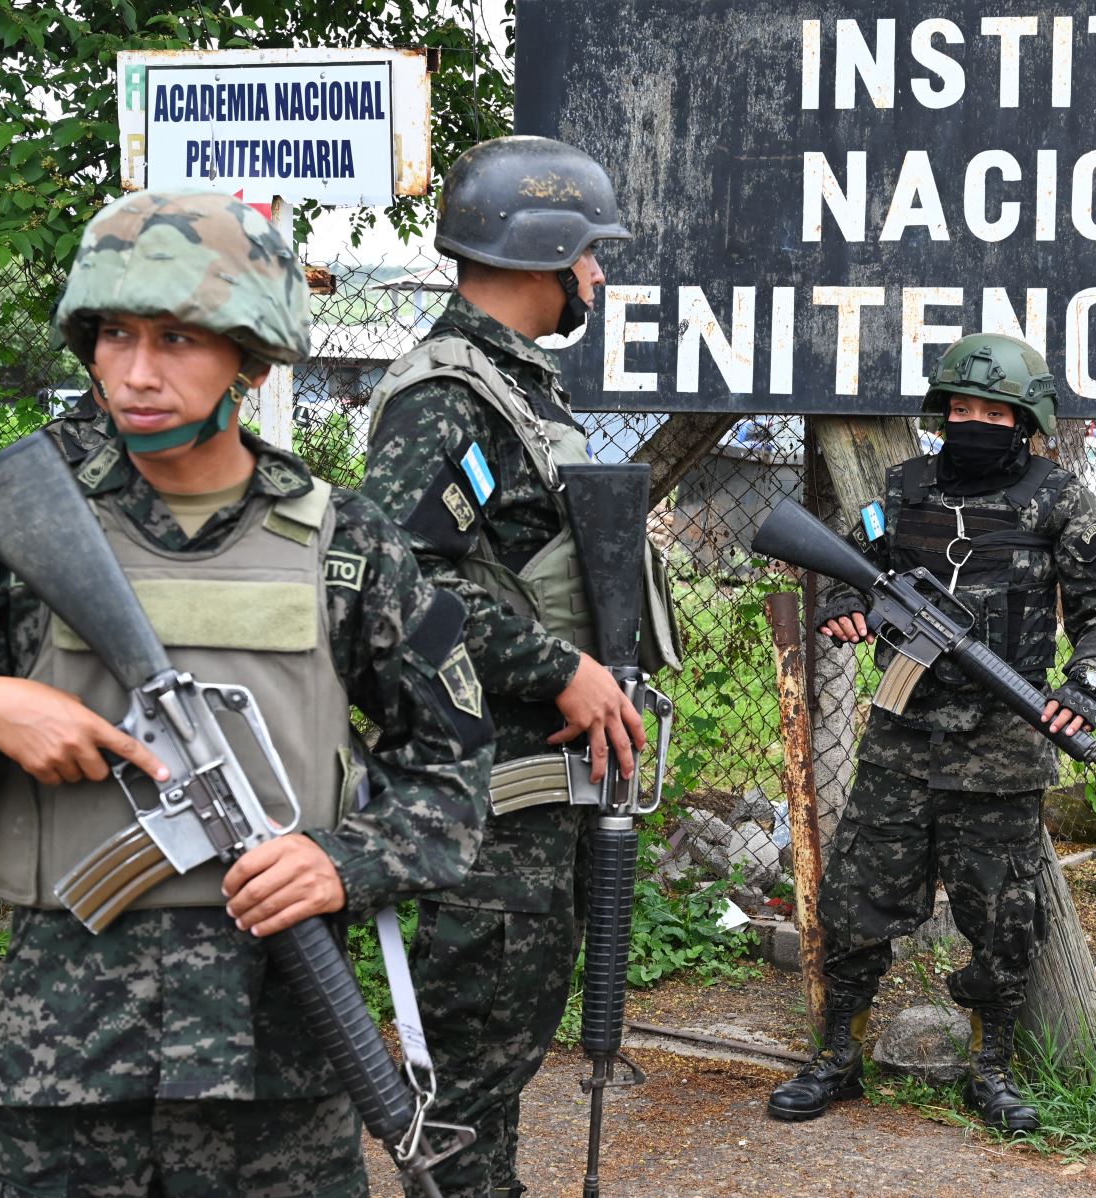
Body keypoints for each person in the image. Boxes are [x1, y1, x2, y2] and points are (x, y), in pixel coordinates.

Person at [0, 189, 490, 1197]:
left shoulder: (349, 545)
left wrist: (346, 861)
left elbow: (454, 770)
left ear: (252, 356)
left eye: (177, 337)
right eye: (114, 334)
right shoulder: (14, 533)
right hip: (60, 1069)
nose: (135, 372)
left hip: (281, 1071)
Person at [360, 135, 677, 1198]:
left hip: (533, 802)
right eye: (588, 254)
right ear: (544, 254)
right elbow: (397, 581)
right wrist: (558, 668)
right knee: (465, 1099)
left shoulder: (510, 393)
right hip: (484, 812)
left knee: (495, 1079)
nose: (596, 275)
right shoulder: (448, 398)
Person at [764, 332, 1096, 1133]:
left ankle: (990, 1067)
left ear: (1024, 419)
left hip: (1004, 748)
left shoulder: (1059, 499)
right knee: (855, 906)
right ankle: (838, 1056)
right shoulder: (903, 489)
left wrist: (1087, 681)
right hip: (902, 740)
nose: (970, 421)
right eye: (958, 408)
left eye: (990, 410)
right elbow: (855, 571)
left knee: (1004, 924)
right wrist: (849, 613)